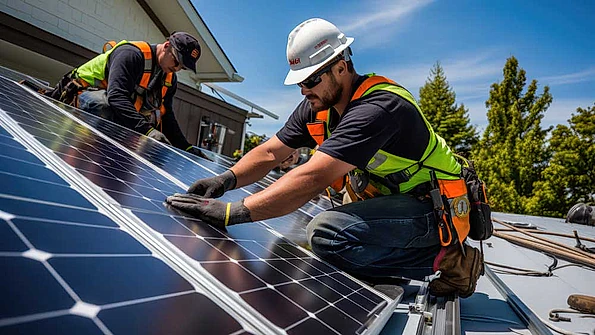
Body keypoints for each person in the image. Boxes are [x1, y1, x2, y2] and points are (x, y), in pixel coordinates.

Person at [167, 18, 481, 296]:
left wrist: (232, 212)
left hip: (434, 206)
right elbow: (271, 151)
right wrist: (225, 180)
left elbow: (313, 178)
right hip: (396, 203)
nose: (304, 90)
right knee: (324, 242)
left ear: (341, 67)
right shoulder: (319, 106)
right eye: (300, 82)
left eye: (311, 79)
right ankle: (385, 264)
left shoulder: (379, 108)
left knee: (327, 234)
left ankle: (453, 260)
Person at [47, 32, 209, 159]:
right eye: (176, 60)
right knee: (106, 106)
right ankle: (89, 149)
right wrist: (147, 131)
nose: (178, 68)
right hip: (79, 99)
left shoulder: (169, 79)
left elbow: (166, 116)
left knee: (154, 122)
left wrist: (186, 147)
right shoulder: (131, 55)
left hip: (110, 116)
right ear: (167, 46)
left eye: (183, 67)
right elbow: (117, 97)